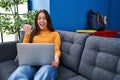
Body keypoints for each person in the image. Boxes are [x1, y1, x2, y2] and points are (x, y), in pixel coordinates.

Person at [8, 9, 61, 80]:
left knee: (45, 72)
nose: (41, 21)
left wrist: (56, 57)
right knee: (19, 72)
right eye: (39, 19)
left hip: (48, 65)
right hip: (31, 64)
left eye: (44, 18)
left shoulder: (55, 34)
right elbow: (24, 48)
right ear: (36, 21)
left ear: (48, 20)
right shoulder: (33, 33)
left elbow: (57, 50)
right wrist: (27, 34)